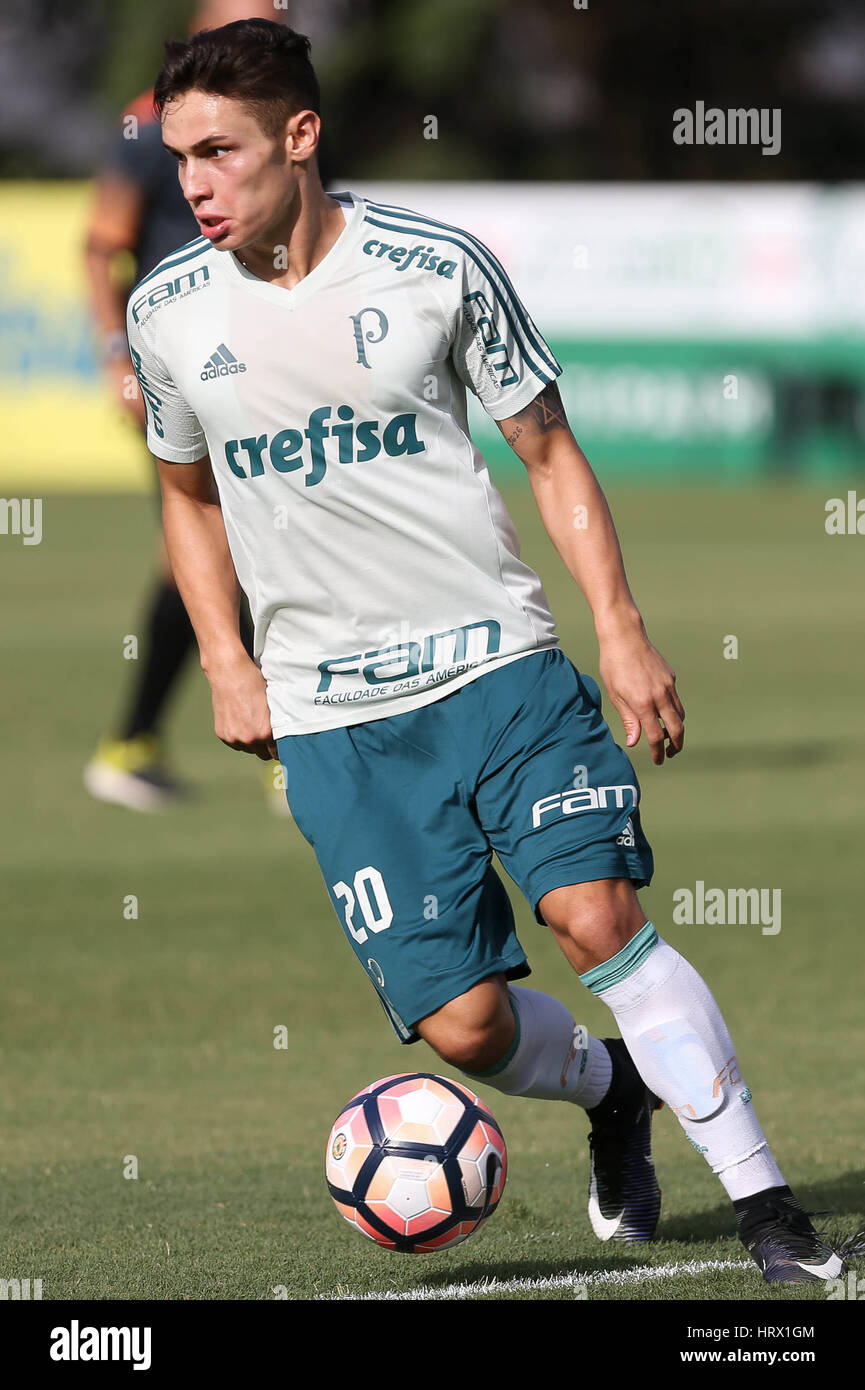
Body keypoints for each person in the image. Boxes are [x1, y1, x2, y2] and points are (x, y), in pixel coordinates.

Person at [127, 17, 844, 1283]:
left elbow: (548, 447)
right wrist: (227, 664)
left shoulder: (436, 264)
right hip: (337, 722)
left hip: (501, 671)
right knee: (460, 1027)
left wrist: (620, 634)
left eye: (218, 151)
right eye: (178, 153)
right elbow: (185, 495)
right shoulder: (170, 312)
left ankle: (769, 1209)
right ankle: (615, 1092)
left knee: (594, 918)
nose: (190, 181)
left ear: (299, 138)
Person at [82, 2, 283, 812]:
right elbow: (102, 241)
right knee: (218, 539)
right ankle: (272, 746)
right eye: (250, 23)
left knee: (248, 536)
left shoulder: (280, 117)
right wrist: (116, 356)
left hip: (265, 359)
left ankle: (135, 744)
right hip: (181, 364)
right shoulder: (149, 122)